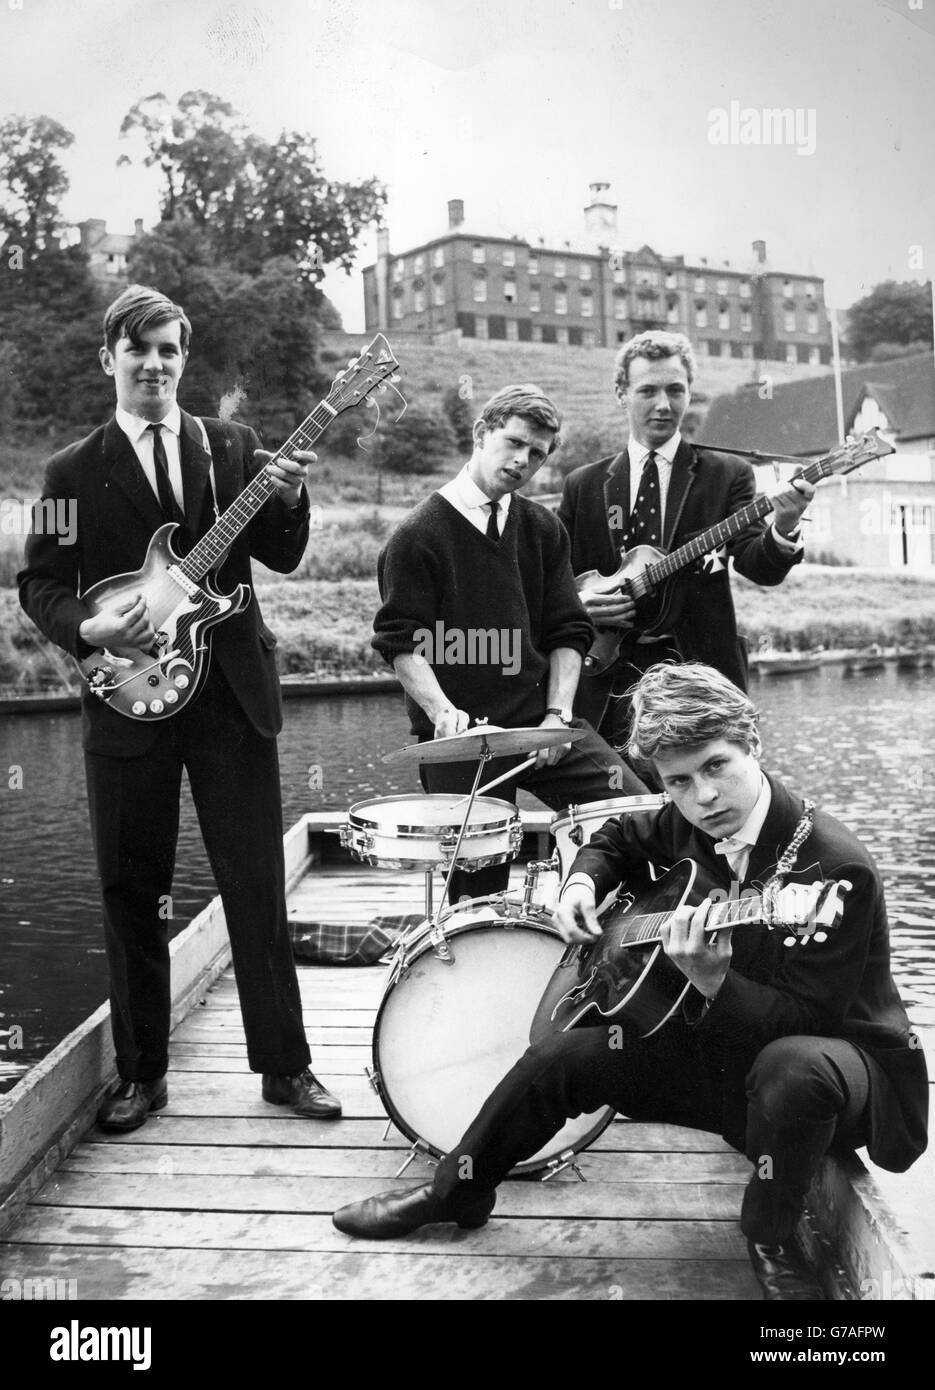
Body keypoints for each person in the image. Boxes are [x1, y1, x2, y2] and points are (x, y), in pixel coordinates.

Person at [332, 662, 928, 1301]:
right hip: (733, 1071)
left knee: (794, 1066)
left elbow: (803, 1023)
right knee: (562, 1055)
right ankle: (456, 1193)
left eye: (717, 766)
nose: (704, 797)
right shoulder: (689, 820)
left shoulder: (834, 870)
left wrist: (713, 980)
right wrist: (582, 883)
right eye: (678, 782)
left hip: (839, 1078)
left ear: (753, 743)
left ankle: (771, 1240)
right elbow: (616, 836)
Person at [18, 284, 341, 1131]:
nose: (154, 364)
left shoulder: (229, 445)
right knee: (132, 885)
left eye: (168, 350)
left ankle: (286, 1067)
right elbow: (38, 585)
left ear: (182, 359)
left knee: (255, 883)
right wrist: (89, 628)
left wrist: (290, 497)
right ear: (109, 359)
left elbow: (283, 552)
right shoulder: (69, 472)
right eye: (139, 350)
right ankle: (140, 1073)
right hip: (128, 695)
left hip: (230, 695)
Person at [371, 383, 647, 906]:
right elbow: (400, 643)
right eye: (514, 443)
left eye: (537, 454)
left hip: (539, 730)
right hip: (460, 742)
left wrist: (556, 716)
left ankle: (605, 947)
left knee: (636, 815)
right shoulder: (416, 536)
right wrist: (441, 711)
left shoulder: (543, 529)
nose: (523, 461)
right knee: (476, 902)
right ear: (481, 434)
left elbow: (569, 630)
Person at [558, 330, 814, 744]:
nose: (663, 405)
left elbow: (757, 565)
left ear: (689, 392)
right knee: (622, 801)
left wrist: (783, 527)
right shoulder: (582, 485)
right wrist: (582, 605)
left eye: (676, 390)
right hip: (606, 671)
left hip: (701, 675)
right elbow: (552, 580)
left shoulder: (727, 473)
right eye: (648, 391)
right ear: (621, 393)